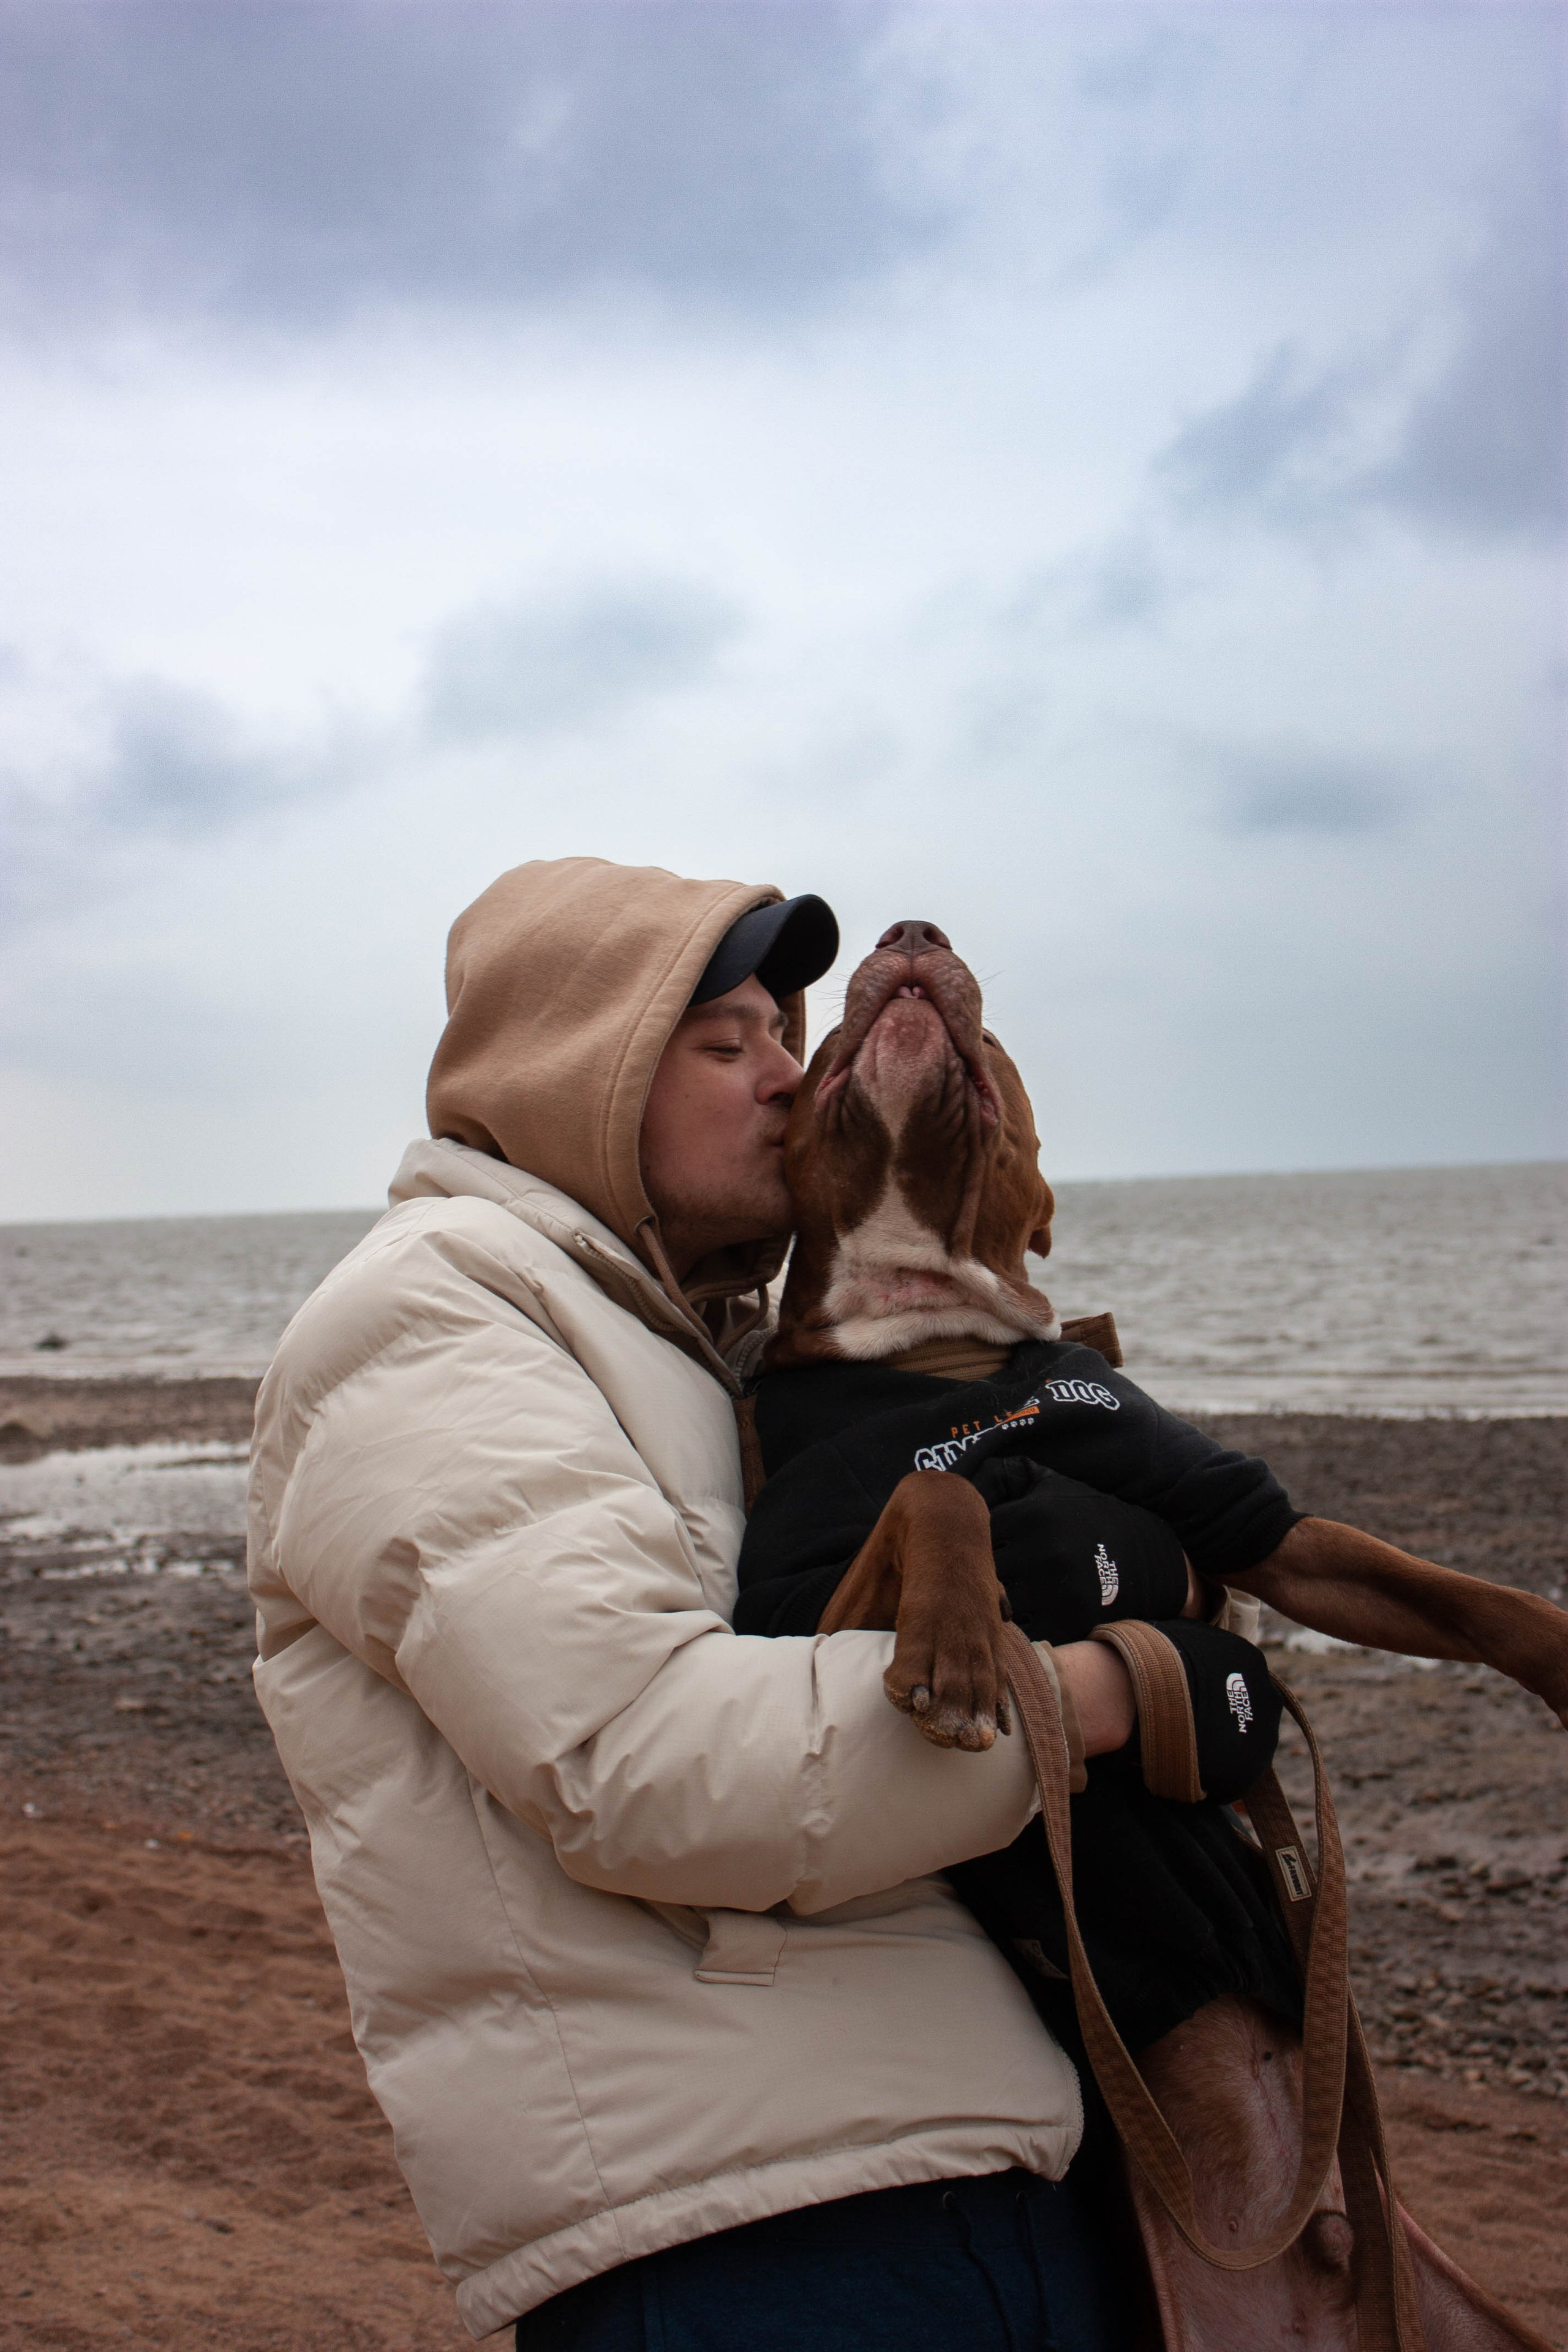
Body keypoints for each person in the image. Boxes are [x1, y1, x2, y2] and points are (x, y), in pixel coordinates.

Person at [247, 856, 1141, 2351]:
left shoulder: (689, 1349)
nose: (787, 1079)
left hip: (933, 2158)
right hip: (744, 2230)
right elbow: (645, 1763)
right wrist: (1113, 1697)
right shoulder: (427, 1312)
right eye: (727, 1045)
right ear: (575, 1083)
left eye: (786, 1036)